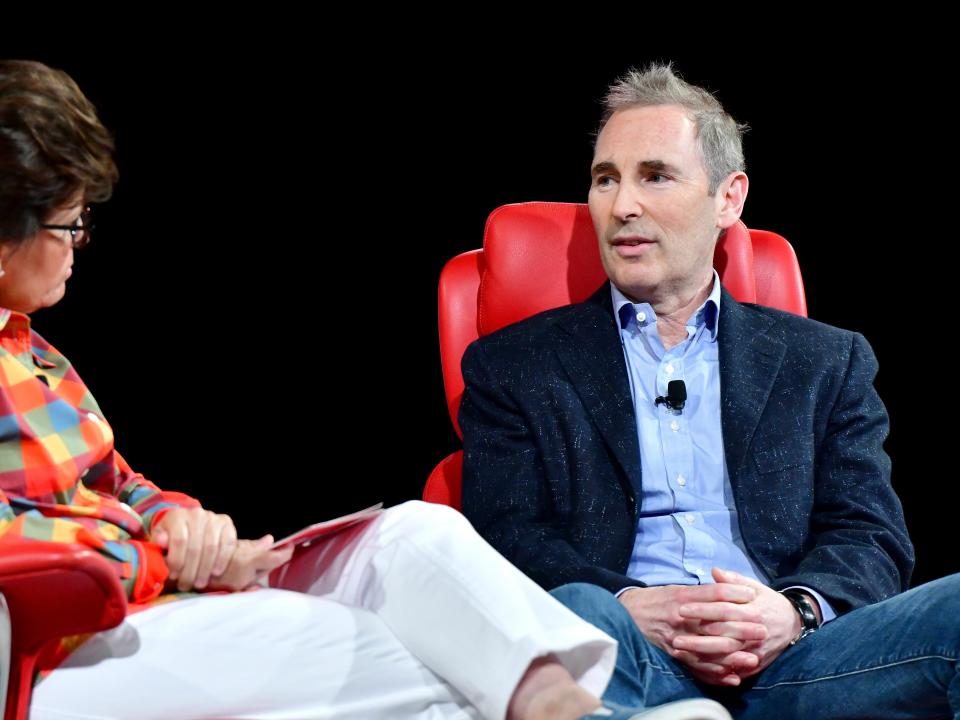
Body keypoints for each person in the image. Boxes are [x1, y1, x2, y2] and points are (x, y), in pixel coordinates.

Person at [0, 59, 736, 720]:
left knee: (416, 536)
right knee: (419, 654)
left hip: (148, 599)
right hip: (57, 648)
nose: (79, 242)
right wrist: (160, 558)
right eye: (71, 222)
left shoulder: (35, 353)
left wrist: (177, 522)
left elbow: (119, 486)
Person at [459, 62, 960, 718]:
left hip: (799, 662)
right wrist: (628, 604)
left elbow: (869, 531)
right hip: (630, 651)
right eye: (605, 179)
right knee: (579, 612)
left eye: (654, 175)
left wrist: (793, 612)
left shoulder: (826, 361)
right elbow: (507, 534)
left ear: (729, 198)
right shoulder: (515, 366)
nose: (622, 205)